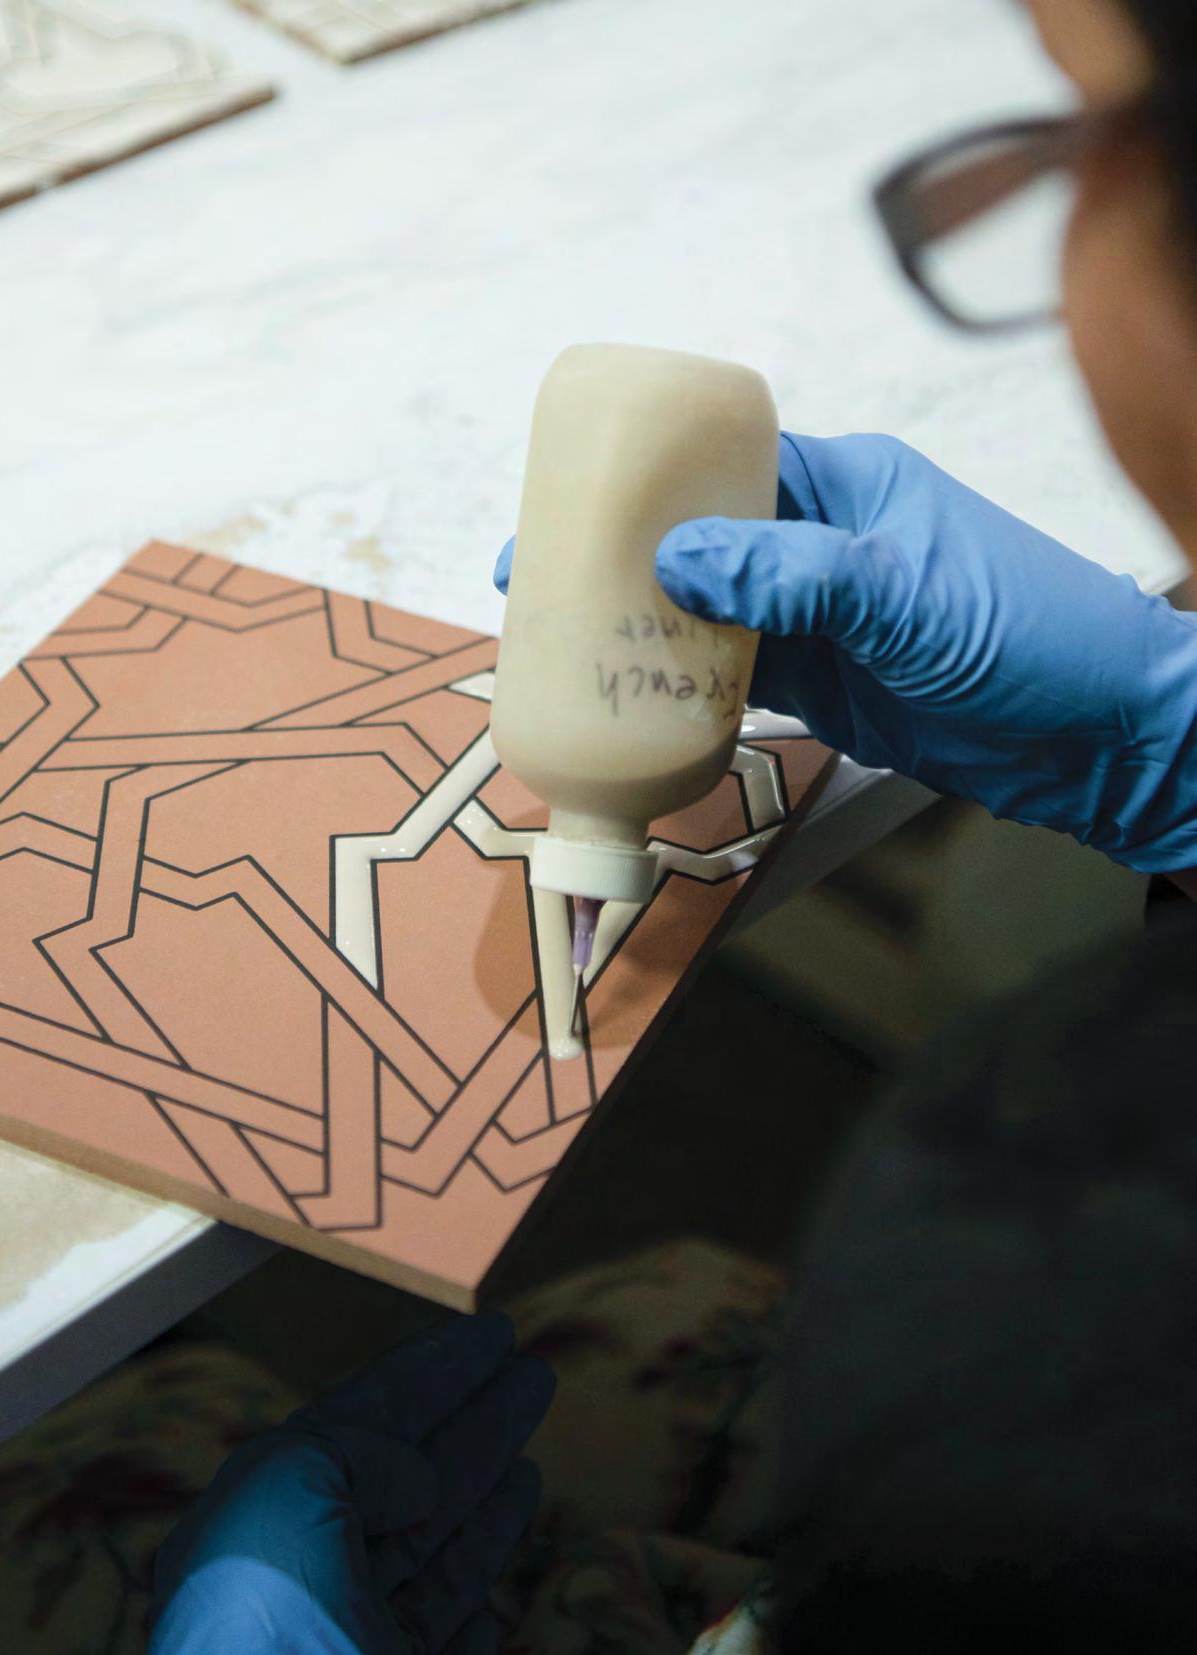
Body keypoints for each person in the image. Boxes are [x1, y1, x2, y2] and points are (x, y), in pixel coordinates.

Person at [128, 0, 1197, 1648]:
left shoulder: (1055, 1246)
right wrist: (1172, 762)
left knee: (119, 1451)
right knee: (668, 1306)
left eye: (1088, 139)